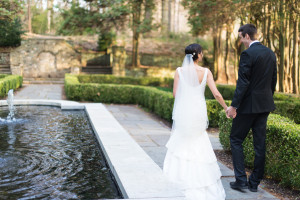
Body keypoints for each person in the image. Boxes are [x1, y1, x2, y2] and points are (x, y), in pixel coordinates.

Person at [163, 43, 227, 200]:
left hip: (184, 111)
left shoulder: (179, 71)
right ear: (198, 54)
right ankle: (200, 179)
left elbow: (175, 94)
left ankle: (179, 177)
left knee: (181, 140)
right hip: (198, 111)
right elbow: (216, 94)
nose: (203, 55)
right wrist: (226, 107)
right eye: (202, 52)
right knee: (198, 141)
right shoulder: (205, 72)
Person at [226, 24, 277, 192]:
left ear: (247, 36)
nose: (240, 41)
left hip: (248, 106)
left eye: (241, 37)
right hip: (265, 105)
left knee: (235, 139)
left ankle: (241, 180)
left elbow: (243, 83)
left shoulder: (247, 54)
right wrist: (267, 99)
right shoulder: (270, 53)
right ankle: (254, 183)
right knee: (259, 144)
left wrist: (234, 106)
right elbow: (273, 81)